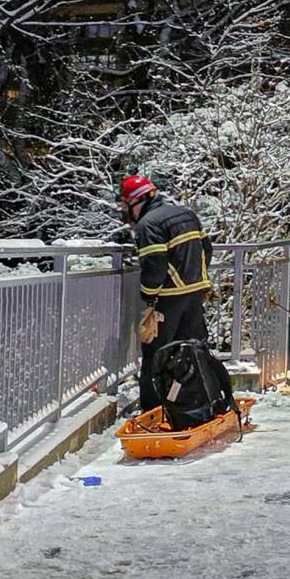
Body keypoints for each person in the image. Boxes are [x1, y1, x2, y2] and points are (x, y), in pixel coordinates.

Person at [120, 175, 213, 415]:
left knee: (156, 354)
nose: (125, 214)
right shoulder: (186, 214)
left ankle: (153, 410)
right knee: (193, 350)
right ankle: (198, 403)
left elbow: (154, 264)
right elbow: (207, 249)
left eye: (125, 206)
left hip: (169, 297)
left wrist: (148, 297)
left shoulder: (148, 224)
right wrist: (196, 278)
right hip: (195, 292)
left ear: (136, 201)